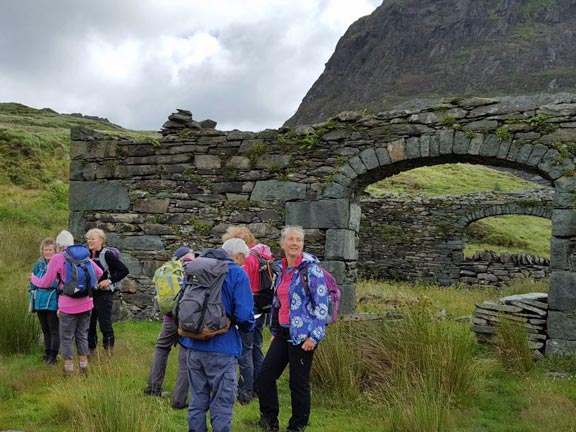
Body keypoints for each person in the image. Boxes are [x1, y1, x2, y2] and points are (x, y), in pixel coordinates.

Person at [256, 226, 328, 432]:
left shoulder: (311, 270)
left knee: (298, 383)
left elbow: (322, 305)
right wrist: (276, 331)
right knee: (265, 377)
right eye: (291, 239)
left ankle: (297, 426)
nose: (295, 243)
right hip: (283, 333)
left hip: (304, 336)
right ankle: (269, 422)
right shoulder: (280, 269)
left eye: (298, 240)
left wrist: (314, 336)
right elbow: (279, 302)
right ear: (282, 244)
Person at [180, 238, 255, 432]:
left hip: (193, 344)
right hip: (224, 347)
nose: (243, 263)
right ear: (237, 256)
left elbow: (179, 304)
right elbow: (244, 314)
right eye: (243, 259)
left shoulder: (194, 268)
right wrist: (247, 328)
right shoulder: (237, 273)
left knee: (197, 400)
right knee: (222, 403)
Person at [30, 230, 103, 375]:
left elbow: (45, 282)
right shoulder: (83, 255)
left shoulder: (58, 258)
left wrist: (33, 278)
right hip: (86, 303)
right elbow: (99, 273)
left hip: (68, 306)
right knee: (82, 335)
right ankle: (84, 368)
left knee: (67, 337)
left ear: (58, 245)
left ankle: (69, 371)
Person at [222, 225, 274, 404]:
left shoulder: (247, 259)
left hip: (249, 308)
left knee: (245, 351)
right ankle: (259, 387)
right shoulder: (263, 255)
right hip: (262, 306)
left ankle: (245, 392)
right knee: (256, 349)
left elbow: (240, 284)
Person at [144, 246, 195, 410]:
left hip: (169, 316)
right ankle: (179, 400)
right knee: (185, 353)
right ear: (189, 256)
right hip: (188, 317)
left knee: (162, 348)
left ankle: (153, 387)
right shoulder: (196, 268)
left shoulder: (167, 269)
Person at [85, 228, 129, 355]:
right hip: (89, 293)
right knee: (89, 325)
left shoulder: (107, 255)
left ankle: (108, 352)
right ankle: (90, 352)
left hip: (104, 294)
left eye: (93, 239)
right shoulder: (85, 255)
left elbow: (123, 270)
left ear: (101, 240)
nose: (90, 241)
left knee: (105, 324)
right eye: (88, 238)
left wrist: (108, 281)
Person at [29, 237, 60, 366]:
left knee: (54, 330)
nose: (48, 252)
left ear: (55, 251)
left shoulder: (58, 263)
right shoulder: (38, 264)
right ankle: (47, 354)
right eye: (45, 250)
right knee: (45, 330)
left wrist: (44, 284)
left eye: (50, 250)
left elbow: (57, 283)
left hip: (53, 300)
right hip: (40, 300)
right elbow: (33, 282)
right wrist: (32, 300)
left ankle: (53, 356)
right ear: (42, 251)